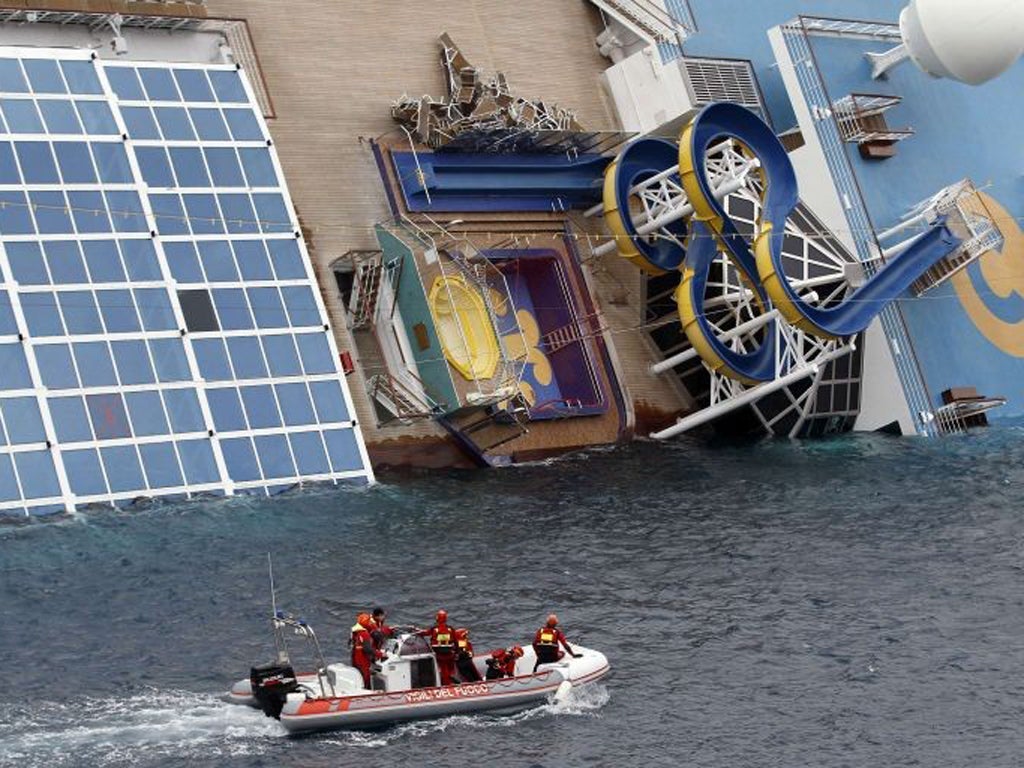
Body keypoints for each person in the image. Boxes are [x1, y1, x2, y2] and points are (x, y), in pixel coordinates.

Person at [420, 609, 457, 685]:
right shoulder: (450, 629)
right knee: (449, 669)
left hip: (439, 654)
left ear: (437, 618)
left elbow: (426, 633)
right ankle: (450, 679)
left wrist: (418, 632)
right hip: (450, 654)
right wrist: (457, 652)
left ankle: (446, 684)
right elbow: (456, 641)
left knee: (444, 670)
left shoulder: (434, 629)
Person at [350, 612, 382, 689]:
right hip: (363, 661)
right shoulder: (364, 634)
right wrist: (380, 654)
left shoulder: (355, 633)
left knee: (359, 677)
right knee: (365, 679)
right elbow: (367, 649)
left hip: (355, 660)